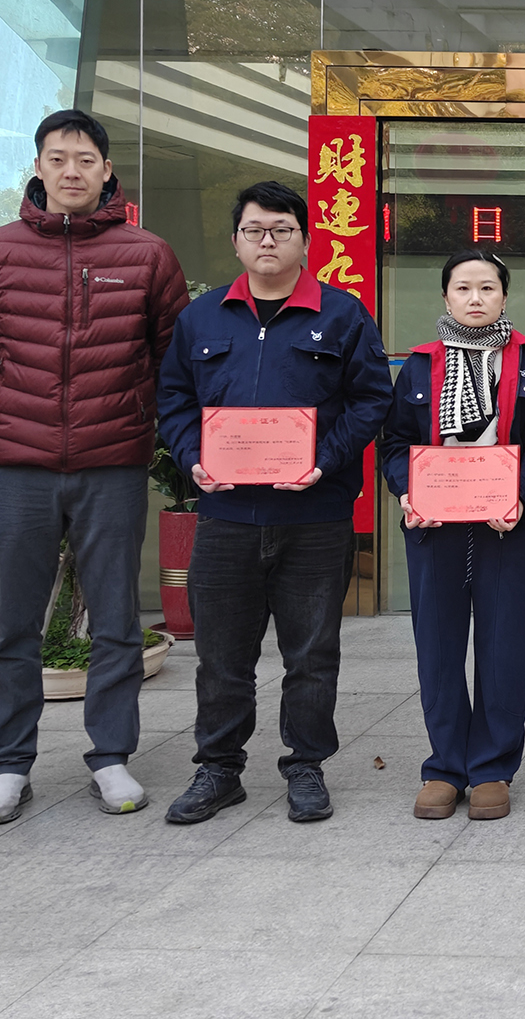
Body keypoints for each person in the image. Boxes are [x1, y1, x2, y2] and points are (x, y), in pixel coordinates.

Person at [0, 109, 188, 825]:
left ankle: (110, 756)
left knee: (115, 620)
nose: (72, 171)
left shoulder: (147, 255)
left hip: (111, 463)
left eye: (85, 159)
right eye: (58, 159)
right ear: (39, 167)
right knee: (12, 624)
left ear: (107, 170)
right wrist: (9, 411)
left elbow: (169, 356)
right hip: (16, 466)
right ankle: (7, 766)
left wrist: (129, 415)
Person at [154, 180, 392, 825]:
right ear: (236, 240)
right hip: (226, 515)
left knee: (311, 655)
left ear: (305, 240)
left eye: (282, 230)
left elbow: (372, 399)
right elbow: (173, 398)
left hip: (314, 516)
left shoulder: (342, 315)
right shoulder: (201, 318)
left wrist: (324, 460)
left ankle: (306, 766)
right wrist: (192, 456)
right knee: (220, 656)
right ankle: (218, 769)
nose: (268, 241)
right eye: (255, 230)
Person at [381, 248, 525, 822]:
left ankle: (492, 767)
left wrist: (522, 497)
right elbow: (395, 442)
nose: (475, 298)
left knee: (506, 647)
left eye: (487, 288)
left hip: (505, 526)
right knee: (438, 647)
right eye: (463, 288)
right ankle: (445, 766)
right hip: (435, 528)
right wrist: (407, 492)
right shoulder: (419, 364)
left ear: (504, 296)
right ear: (446, 296)